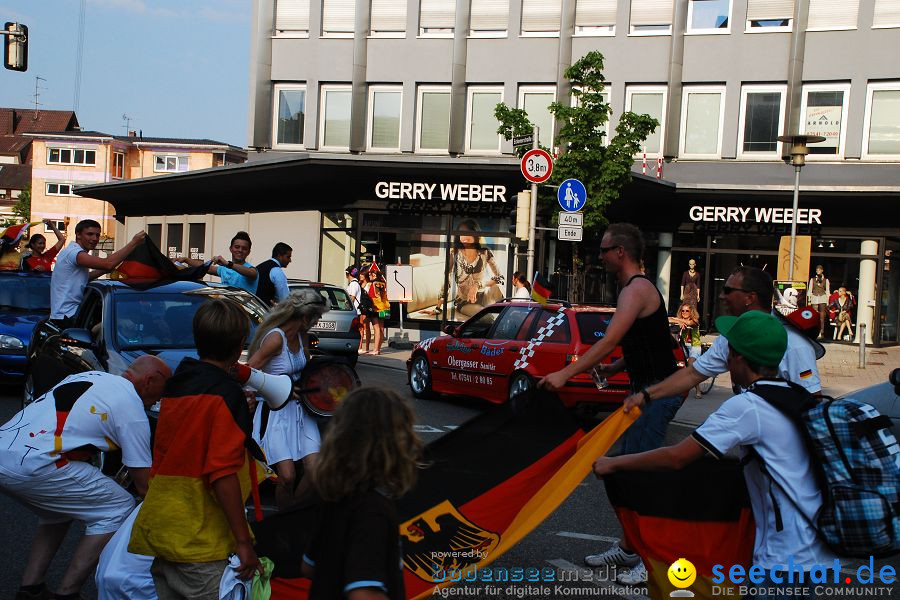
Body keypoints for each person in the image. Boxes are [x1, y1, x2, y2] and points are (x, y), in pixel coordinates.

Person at [593, 311, 837, 597]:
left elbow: (677, 457)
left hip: (784, 556)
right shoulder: (796, 395)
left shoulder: (748, 407)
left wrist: (614, 463)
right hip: (817, 547)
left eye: (729, 350)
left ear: (738, 358)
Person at [539, 223, 681, 584]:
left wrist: (566, 375)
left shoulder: (636, 290)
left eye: (603, 250)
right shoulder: (634, 289)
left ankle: (651, 559)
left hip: (659, 391)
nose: (599, 257)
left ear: (620, 252)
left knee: (636, 474)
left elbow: (607, 341)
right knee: (626, 469)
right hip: (647, 388)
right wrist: (616, 366)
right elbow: (647, 343)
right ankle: (630, 546)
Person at [0, 355, 171, 600]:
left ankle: (31, 589)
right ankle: (68, 593)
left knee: (58, 510)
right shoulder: (131, 407)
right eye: (160, 393)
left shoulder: (87, 376)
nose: (158, 401)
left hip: (5, 452)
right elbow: (144, 485)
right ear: (150, 381)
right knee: (118, 505)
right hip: (36, 464)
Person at [129, 299, 265, 598]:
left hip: (165, 526)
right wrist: (243, 541)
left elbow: (192, 438)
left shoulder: (177, 384)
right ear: (239, 344)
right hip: (201, 538)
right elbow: (222, 472)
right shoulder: (226, 394)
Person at [622, 266, 822, 414]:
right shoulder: (731, 336)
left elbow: (813, 402)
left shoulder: (794, 344)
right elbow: (692, 374)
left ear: (749, 298)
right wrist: (646, 395)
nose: (721, 296)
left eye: (728, 291)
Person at [301, 387, 423, 600]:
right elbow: (363, 594)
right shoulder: (374, 510)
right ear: (394, 445)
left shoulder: (334, 496)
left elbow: (308, 567)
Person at [249, 289, 329, 508]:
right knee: (287, 476)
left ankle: (292, 516)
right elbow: (248, 373)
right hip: (276, 412)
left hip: (301, 410)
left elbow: (305, 370)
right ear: (305, 318)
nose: (318, 321)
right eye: (317, 317)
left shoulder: (302, 337)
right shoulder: (275, 339)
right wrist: (278, 389)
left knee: (315, 472)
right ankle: (286, 524)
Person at [50, 219, 147, 328]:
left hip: (66, 315)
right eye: (90, 234)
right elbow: (108, 264)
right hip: (68, 316)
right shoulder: (74, 253)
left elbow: (83, 278)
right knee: (119, 322)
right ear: (78, 235)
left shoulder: (69, 251)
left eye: (97, 235)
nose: (95, 239)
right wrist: (134, 242)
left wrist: (106, 270)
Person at [439, 219, 503, 318]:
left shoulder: (485, 252)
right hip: (465, 302)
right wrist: (438, 307)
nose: (464, 237)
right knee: (487, 316)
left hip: (484, 296)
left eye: (467, 233)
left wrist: (477, 285)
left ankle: (506, 313)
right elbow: (447, 279)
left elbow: (500, 277)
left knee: (496, 287)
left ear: (475, 234)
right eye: (461, 233)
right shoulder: (454, 253)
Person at [186, 231, 258, 294]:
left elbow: (252, 273)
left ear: (248, 252)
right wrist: (186, 260)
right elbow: (206, 267)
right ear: (231, 249)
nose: (240, 250)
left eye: (244, 248)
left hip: (243, 309)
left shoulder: (250, 269)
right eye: (237, 247)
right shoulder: (224, 268)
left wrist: (228, 264)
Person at [670, 302, 702, 399]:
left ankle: (698, 389)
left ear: (691, 312)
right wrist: (679, 321)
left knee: (691, 365)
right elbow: (668, 319)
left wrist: (678, 320)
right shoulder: (680, 320)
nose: (684, 312)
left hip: (694, 346)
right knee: (675, 365)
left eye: (687, 311)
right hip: (683, 346)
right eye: (682, 310)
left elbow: (689, 323)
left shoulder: (695, 320)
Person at [254, 242, 292, 307]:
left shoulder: (259, 267)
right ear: (280, 256)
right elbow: (284, 299)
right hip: (267, 312)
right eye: (288, 257)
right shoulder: (276, 270)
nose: (290, 260)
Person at [364, 267, 390, 355]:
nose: (369, 277)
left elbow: (368, 294)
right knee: (381, 328)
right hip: (384, 307)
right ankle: (378, 349)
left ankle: (375, 349)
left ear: (374, 275)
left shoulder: (371, 283)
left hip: (375, 307)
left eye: (370, 275)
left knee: (376, 328)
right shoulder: (383, 283)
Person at [346, 266, 369, 354]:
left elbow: (352, 298)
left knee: (359, 329)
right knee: (359, 328)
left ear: (348, 274)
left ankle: (359, 347)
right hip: (356, 310)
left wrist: (346, 307)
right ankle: (359, 346)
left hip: (355, 310)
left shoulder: (353, 284)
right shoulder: (355, 284)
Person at [807, 265, 830, 340]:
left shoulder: (826, 280)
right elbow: (810, 290)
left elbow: (827, 291)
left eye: (819, 270)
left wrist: (828, 301)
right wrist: (809, 300)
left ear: (822, 270)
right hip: (814, 297)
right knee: (814, 315)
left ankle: (821, 332)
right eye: (817, 270)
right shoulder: (812, 279)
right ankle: (813, 331)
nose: (818, 271)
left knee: (822, 316)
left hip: (822, 298)